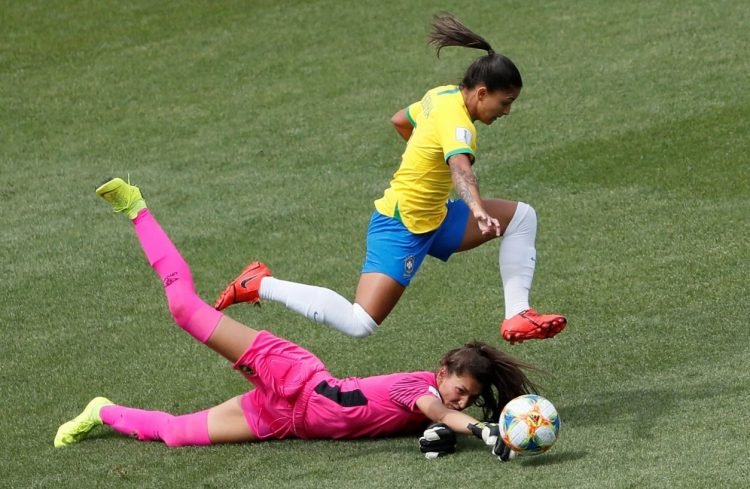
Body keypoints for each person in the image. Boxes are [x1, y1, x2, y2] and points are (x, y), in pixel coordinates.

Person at [54, 177, 538, 460]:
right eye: (462, 387)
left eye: (471, 398)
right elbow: (437, 411)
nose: (462, 397)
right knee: (184, 308)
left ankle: (100, 411)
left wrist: (444, 438)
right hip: (294, 378)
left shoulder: (427, 410)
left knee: (177, 434)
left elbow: (430, 424)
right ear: (442, 371)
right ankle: (136, 207)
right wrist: (482, 431)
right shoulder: (423, 390)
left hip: (286, 419)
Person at [214, 14, 567, 344]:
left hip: (436, 217)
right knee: (360, 322)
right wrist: (475, 208)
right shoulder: (459, 124)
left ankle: (518, 314)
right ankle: (260, 283)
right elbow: (461, 168)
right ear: (481, 93)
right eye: (505, 102)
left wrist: (425, 162)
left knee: (522, 217)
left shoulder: (442, 94)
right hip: (401, 224)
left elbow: (401, 119)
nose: (507, 111)